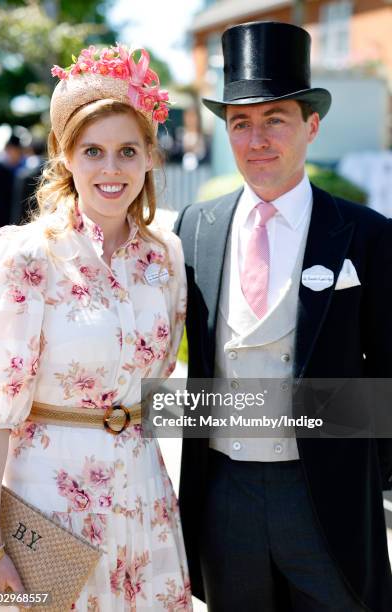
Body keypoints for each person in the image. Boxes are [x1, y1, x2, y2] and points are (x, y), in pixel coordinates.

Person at [175, 21, 392, 612]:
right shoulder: (195, 227)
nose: (258, 138)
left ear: (311, 126)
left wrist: (363, 473)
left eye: (276, 119)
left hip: (326, 496)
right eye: (241, 122)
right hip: (223, 493)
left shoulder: (368, 236)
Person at [0, 43, 191, 611]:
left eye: (127, 150)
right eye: (92, 150)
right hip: (48, 507)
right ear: (65, 155)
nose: (111, 168)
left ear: (150, 155)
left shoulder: (165, 258)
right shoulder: (22, 258)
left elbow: (162, 386)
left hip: (145, 499)